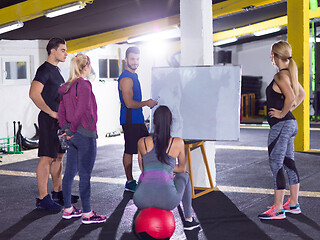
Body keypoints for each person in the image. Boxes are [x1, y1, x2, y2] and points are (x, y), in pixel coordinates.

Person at [29, 38, 78, 211]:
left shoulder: (56, 70)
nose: (66, 53)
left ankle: (58, 193)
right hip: (48, 120)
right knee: (47, 158)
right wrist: (51, 112)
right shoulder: (44, 70)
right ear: (53, 51)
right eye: (63, 50)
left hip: (58, 121)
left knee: (58, 156)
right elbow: (34, 94)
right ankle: (43, 198)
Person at [258, 40, 305, 220]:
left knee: (276, 165)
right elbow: (301, 95)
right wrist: (288, 112)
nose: (270, 57)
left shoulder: (280, 76)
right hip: (289, 124)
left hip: (282, 126)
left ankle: (278, 210)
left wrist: (282, 113)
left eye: (272, 54)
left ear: (277, 56)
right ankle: (293, 204)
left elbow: (292, 96)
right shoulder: (288, 74)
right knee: (288, 163)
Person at [133, 106, 200, 230]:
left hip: (141, 200)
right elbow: (181, 168)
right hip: (167, 201)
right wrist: (168, 171)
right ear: (170, 122)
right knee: (185, 174)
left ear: (153, 121)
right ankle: (188, 220)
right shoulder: (178, 142)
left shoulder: (141, 142)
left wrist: (163, 170)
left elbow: (144, 169)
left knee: (143, 177)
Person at [58, 53, 106, 224]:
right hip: (84, 135)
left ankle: (68, 209)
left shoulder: (67, 86)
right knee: (85, 175)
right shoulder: (84, 85)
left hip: (72, 136)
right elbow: (81, 110)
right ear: (86, 67)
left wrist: (65, 129)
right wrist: (70, 129)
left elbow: (61, 111)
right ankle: (87, 213)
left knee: (69, 173)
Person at [118, 46, 158, 192]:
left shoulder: (134, 76)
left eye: (137, 59)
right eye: (132, 59)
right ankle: (129, 181)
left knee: (146, 148)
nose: (135, 62)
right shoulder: (127, 78)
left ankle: (146, 178)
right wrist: (147, 103)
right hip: (130, 120)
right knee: (130, 150)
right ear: (126, 59)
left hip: (138, 119)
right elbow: (129, 103)